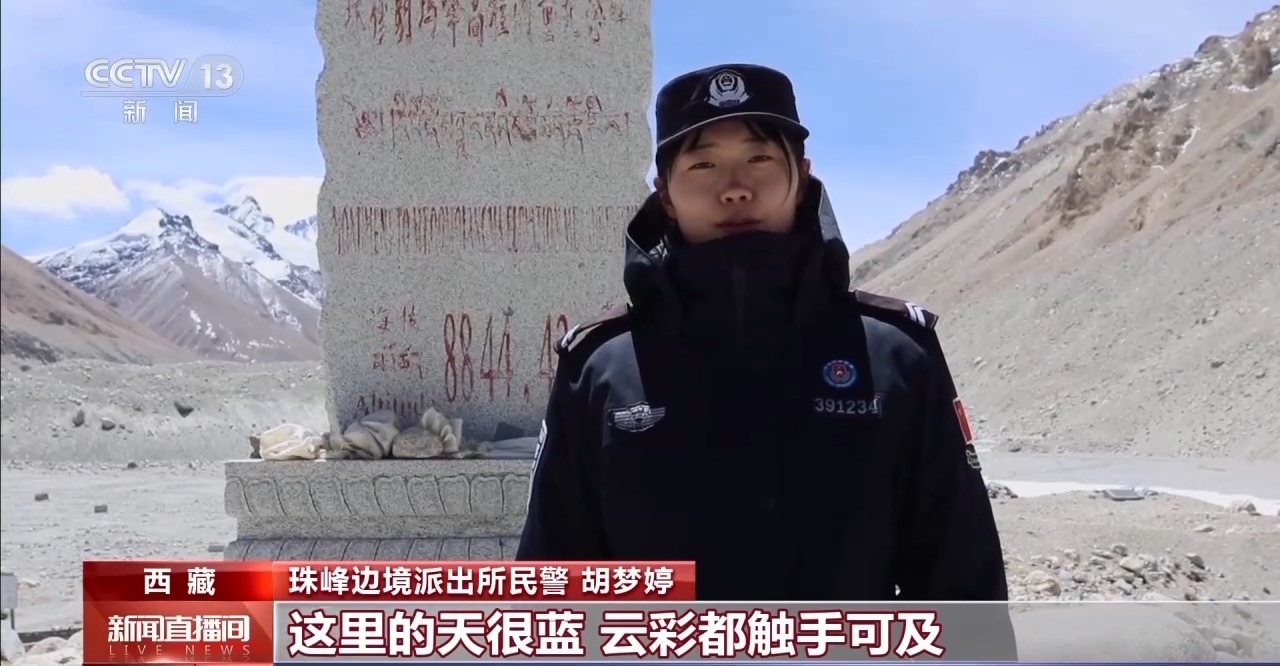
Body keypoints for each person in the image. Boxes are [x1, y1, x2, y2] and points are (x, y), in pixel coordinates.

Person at [517, 64, 1010, 608]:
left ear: (803, 177)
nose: (734, 189)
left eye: (760, 160)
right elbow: (551, 591)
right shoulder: (600, 368)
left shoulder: (895, 355)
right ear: (665, 194)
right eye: (703, 165)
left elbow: (963, 585)